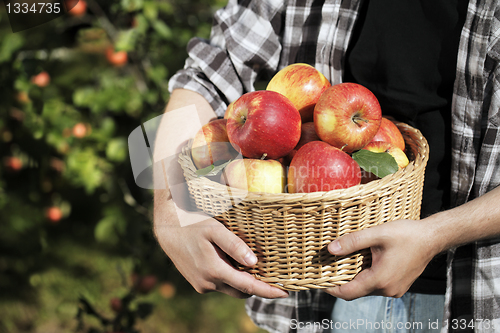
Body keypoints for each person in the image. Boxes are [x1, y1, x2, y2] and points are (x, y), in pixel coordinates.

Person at [153, 0, 500, 332]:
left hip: (472, 295)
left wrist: (436, 235)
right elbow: (207, 73)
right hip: (313, 290)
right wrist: (169, 214)